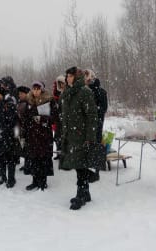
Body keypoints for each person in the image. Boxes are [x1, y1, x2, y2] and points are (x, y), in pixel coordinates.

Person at [60, 66, 102, 210]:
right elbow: (65, 114)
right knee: (79, 165)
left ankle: (81, 195)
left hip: (81, 135)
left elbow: (92, 116)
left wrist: (90, 137)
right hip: (71, 135)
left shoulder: (85, 92)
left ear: (77, 77)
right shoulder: (67, 92)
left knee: (81, 165)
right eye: (67, 76)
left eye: (71, 76)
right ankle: (86, 193)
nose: (68, 78)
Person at [22, 81, 57, 191]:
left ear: (42, 89)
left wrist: (43, 119)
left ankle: (43, 182)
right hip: (31, 135)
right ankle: (34, 180)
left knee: (43, 158)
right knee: (33, 158)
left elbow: (55, 117)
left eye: (38, 89)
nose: (36, 91)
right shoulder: (28, 101)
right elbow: (25, 118)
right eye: (34, 88)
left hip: (44, 135)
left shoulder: (49, 100)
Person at [84, 69, 108, 182]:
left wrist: (94, 112)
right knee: (88, 146)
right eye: (86, 79)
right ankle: (88, 169)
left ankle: (96, 171)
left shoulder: (101, 92)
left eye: (89, 79)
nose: (88, 81)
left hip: (97, 123)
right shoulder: (85, 91)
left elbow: (103, 108)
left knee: (96, 144)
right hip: (87, 124)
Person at [16, 85, 31, 171]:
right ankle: (26, 164)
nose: (20, 95)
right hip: (21, 129)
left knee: (27, 148)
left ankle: (29, 165)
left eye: (21, 93)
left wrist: (25, 127)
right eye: (19, 93)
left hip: (27, 130)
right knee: (23, 147)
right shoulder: (20, 103)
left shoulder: (29, 103)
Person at [52, 75, 65, 160]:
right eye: (59, 84)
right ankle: (59, 152)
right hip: (57, 119)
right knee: (57, 137)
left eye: (62, 83)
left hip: (64, 119)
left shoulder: (66, 93)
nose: (60, 85)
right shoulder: (55, 94)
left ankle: (64, 154)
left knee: (64, 137)